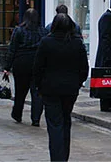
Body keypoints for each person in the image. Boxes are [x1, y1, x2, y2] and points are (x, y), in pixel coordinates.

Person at [33, 14, 89, 161]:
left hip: (50, 89)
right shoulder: (77, 43)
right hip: (70, 89)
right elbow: (84, 68)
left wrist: (38, 86)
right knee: (65, 120)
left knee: (54, 124)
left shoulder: (46, 42)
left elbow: (38, 67)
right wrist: (78, 83)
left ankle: (57, 158)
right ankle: (63, 156)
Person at [5, 8, 48, 126]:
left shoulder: (19, 30)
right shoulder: (43, 31)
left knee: (20, 91)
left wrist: (7, 66)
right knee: (37, 92)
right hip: (37, 63)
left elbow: (12, 49)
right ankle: (36, 118)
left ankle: (17, 114)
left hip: (21, 62)